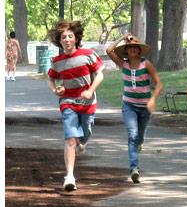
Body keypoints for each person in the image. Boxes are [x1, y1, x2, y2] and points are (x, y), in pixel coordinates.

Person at [47, 20, 104, 191]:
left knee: (84, 134)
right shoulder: (58, 61)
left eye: (70, 36)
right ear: (60, 40)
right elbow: (50, 78)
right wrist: (55, 90)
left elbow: (100, 75)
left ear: (76, 38)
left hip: (88, 103)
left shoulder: (88, 54)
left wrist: (90, 90)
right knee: (70, 139)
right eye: (64, 37)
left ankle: (83, 141)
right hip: (68, 102)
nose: (67, 40)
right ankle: (70, 176)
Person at [106, 33, 162, 183]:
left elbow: (159, 85)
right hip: (129, 106)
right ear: (126, 51)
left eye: (134, 48)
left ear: (138, 50)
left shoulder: (146, 64)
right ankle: (134, 169)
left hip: (144, 107)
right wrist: (122, 38)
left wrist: (152, 100)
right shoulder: (123, 64)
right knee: (132, 136)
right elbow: (108, 50)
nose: (131, 50)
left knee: (140, 137)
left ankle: (139, 145)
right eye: (129, 48)